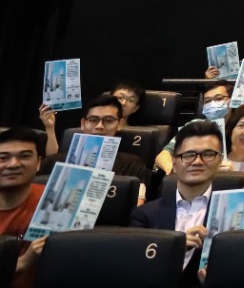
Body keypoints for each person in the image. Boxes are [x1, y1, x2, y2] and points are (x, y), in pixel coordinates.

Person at [130, 119, 226, 285]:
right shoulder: (144, 215)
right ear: (174, 163)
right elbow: (134, 271)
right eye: (188, 155)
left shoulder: (233, 213)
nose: (197, 161)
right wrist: (172, 251)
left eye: (208, 154)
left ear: (220, 160)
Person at [43, 94, 152, 196]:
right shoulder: (53, 162)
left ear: (119, 124)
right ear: (83, 124)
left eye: (108, 120)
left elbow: (138, 203)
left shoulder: (132, 165)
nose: (100, 126)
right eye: (93, 120)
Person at [153, 80, 232, 175]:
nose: (212, 104)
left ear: (232, 100)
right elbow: (162, 156)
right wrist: (176, 172)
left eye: (218, 98)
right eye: (207, 101)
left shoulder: (241, 127)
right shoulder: (195, 125)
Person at [0, 128, 46, 288]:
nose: (13, 164)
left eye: (24, 156)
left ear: (38, 163)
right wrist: (24, 262)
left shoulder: (57, 200)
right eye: (3, 158)